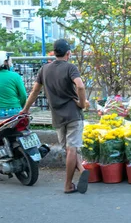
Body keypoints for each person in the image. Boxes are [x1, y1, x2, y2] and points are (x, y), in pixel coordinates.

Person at [21, 39, 89, 194]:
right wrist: (82, 104)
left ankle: (82, 169)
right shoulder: (70, 67)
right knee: (72, 149)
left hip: (57, 117)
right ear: (68, 53)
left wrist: (25, 109)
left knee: (69, 149)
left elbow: (34, 92)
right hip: (74, 114)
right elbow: (80, 86)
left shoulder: (44, 69)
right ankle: (68, 184)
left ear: (54, 53)